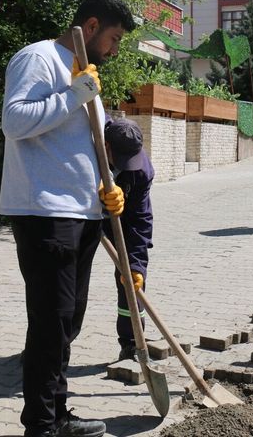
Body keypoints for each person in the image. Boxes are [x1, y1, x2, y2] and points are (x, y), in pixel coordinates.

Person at [0, 0, 135, 437]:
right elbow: (15, 121)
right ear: (91, 27)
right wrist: (74, 95)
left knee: (68, 321)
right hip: (44, 211)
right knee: (50, 321)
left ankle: (58, 415)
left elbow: (85, 143)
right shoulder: (37, 59)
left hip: (83, 212)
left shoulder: (85, 71)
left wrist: (108, 182)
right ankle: (40, 426)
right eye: (114, 38)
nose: (115, 50)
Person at [101, 118, 154, 362]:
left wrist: (136, 265)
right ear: (106, 146)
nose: (127, 167)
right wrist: (93, 188)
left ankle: (132, 343)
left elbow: (141, 220)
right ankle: (50, 345)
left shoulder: (141, 170)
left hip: (120, 219)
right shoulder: (87, 146)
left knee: (131, 281)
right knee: (68, 281)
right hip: (80, 218)